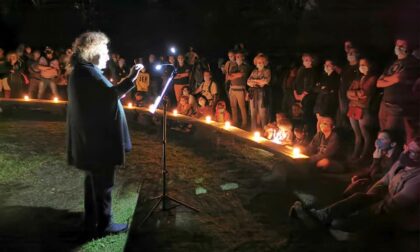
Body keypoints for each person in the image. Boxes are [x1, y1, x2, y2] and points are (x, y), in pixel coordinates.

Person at [67, 31, 143, 238]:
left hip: (92, 140)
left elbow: (102, 99)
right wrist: (130, 79)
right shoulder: (87, 73)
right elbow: (110, 97)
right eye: (105, 51)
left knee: (94, 182)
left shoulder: (84, 71)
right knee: (103, 184)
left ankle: (91, 219)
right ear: (92, 51)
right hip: (98, 141)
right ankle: (104, 224)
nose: (108, 56)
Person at [291, 137, 420, 233]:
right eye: (408, 148)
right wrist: (367, 197)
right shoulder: (403, 161)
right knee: (355, 197)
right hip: (383, 200)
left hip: (399, 217)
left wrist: (361, 208)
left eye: (414, 152)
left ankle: (322, 219)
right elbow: (384, 181)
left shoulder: (417, 179)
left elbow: (391, 206)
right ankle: (320, 216)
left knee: (339, 222)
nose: (408, 153)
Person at [377, 38, 420, 143]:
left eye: (402, 45)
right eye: (397, 45)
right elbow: (378, 82)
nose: (399, 48)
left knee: (389, 135)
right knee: (382, 132)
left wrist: (389, 78)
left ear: (408, 48)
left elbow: (398, 78)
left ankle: (390, 157)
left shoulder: (412, 63)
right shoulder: (393, 63)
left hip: (397, 105)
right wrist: (392, 79)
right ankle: (381, 157)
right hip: (385, 103)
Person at [343, 130, 402, 197]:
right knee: (355, 181)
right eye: (378, 139)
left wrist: (376, 160)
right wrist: (360, 176)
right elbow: (372, 170)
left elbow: (383, 177)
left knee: (358, 190)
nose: (378, 142)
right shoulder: (383, 150)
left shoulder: (396, 157)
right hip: (377, 178)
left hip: (387, 185)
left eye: (382, 139)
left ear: (393, 144)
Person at [347, 58, 378, 163]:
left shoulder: (372, 78)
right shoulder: (357, 79)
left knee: (366, 134)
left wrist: (354, 95)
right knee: (357, 134)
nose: (362, 66)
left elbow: (364, 94)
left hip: (364, 109)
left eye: (364, 64)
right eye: (360, 65)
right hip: (353, 108)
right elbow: (348, 93)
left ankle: (364, 157)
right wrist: (356, 95)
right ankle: (355, 155)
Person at [293, 53, 318, 133]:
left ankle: (309, 134)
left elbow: (311, 85)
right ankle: (300, 134)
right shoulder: (301, 70)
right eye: (304, 60)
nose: (305, 61)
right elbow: (296, 82)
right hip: (299, 96)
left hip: (308, 98)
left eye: (307, 60)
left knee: (308, 116)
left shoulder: (313, 71)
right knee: (299, 116)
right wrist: (295, 93)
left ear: (312, 61)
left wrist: (303, 95)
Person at [247, 53, 271, 131]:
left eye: (262, 62)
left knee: (262, 114)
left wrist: (254, 81)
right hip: (253, 95)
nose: (260, 64)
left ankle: (265, 131)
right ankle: (253, 130)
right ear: (256, 63)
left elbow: (265, 81)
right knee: (253, 113)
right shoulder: (254, 71)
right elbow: (248, 82)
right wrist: (258, 81)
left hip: (262, 95)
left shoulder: (267, 71)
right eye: (258, 62)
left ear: (264, 63)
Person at [338, 47, 360, 130]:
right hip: (342, 95)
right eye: (349, 53)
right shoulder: (346, 67)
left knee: (353, 120)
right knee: (343, 115)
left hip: (352, 96)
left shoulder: (359, 67)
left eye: (352, 53)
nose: (350, 55)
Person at [227, 51, 250, 129]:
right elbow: (228, 77)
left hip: (240, 89)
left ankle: (244, 123)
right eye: (236, 57)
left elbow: (241, 75)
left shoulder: (245, 66)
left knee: (242, 107)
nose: (238, 58)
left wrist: (234, 75)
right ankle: (235, 121)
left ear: (243, 57)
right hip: (232, 89)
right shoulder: (233, 66)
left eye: (239, 56)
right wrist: (235, 75)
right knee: (233, 106)